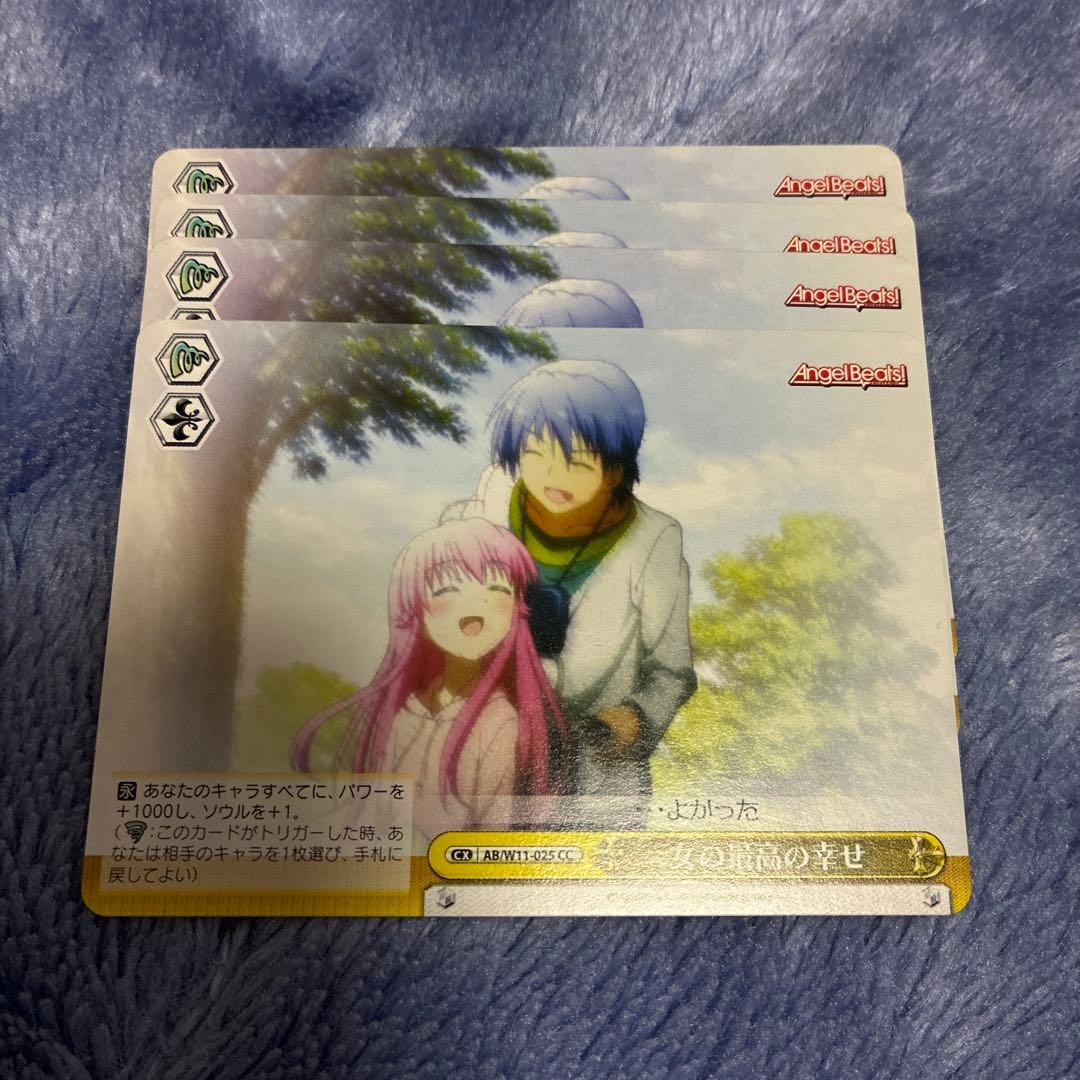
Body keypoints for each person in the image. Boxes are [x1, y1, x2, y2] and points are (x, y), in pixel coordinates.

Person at [460, 359, 696, 798]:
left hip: (589, 771)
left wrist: (636, 718)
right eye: (536, 453)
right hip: (484, 759)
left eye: (577, 459)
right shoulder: (485, 508)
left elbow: (672, 672)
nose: (553, 474)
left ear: (617, 466)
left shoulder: (654, 541)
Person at [291, 519, 566, 838]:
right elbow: (373, 810)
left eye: (497, 589)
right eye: (447, 589)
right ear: (416, 611)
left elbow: (493, 838)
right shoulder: (405, 711)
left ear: (517, 610)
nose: (475, 607)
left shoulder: (499, 723)